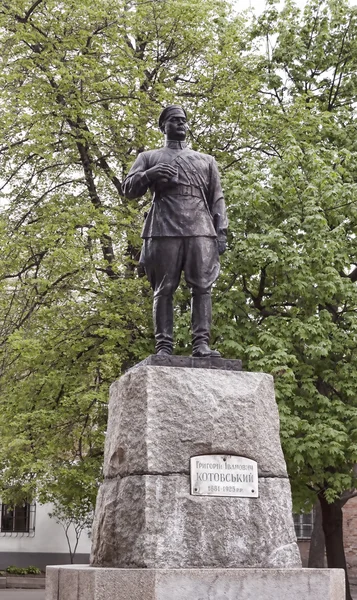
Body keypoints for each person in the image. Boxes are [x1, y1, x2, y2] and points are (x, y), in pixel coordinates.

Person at [122, 105, 228, 357]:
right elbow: (128, 190)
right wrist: (150, 174)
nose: (181, 124)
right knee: (164, 287)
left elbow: (217, 198)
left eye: (184, 120)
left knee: (202, 286)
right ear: (163, 126)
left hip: (200, 226)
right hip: (163, 226)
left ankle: (201, 344)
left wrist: (221, 231)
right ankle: (164, 347)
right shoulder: (149, 157)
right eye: (174, 120)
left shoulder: (206, 161)